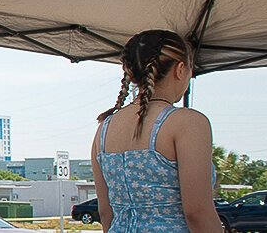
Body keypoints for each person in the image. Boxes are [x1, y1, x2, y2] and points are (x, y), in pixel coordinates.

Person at [90, 30, 220, 232]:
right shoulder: (188, 123)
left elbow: (106, 212)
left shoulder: (104, 129)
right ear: (180, 69)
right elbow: (197, 212)